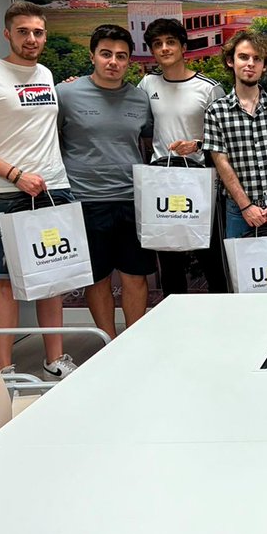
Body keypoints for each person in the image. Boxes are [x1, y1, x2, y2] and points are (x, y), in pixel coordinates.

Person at [0, 1, 77, 377]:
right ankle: (2, 369)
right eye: (23, 32)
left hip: (55, 189)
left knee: (52, 279)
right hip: (10, 193)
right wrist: (14, 172)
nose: (31, 39)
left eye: (38, 32)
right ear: (7, 33)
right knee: (7, 284)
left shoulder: (46, 74)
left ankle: (54, 359)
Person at [56, 25, 155, 340]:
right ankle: (108, 344)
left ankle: (133, 342)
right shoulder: (65, 94)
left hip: (131, 199)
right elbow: (47, 140)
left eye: (121, 56)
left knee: (135, 276)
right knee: (97, 278)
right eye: (106, 54)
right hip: (85, 200)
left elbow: (149, 144)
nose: (113, 61)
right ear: (93, 56)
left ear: (129, 62)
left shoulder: (140, 99)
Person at [137, 18, 228, 294]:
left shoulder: (208, 88)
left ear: (183, 47)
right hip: (161, 181)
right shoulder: (146, 84)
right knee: (169, 262)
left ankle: (221, 322)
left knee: (210, 257)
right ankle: (173, 325)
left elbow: (225, 138)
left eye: (170, 42)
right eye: (157, 44)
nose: (164, 48)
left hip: (198, 179)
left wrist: (198, 144)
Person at [203, 31, 267, 238]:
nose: (250, 63)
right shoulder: (216, 111)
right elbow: (221, 162)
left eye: (257, 58)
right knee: (241, 270)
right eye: (244, 57)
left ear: (265, 66)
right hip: (239, 213)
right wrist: (246, 206)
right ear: (231, 61)